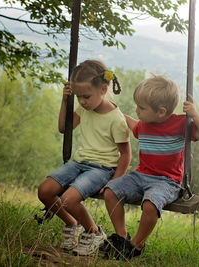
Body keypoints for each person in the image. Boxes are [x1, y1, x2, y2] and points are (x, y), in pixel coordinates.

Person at [102, 75, 199, 259]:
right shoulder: (145, 124)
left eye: (141, 107)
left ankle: (135, 245)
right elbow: (131, 123)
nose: (137, 110)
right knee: (110, 192)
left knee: (150, 205)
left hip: (167, 181)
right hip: (140, 176)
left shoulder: (180, 124)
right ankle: (122, 236)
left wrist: (195, 114)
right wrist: (114, 111)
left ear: (161, 112)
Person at [37, 60, 131, 256]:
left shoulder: (116, 119)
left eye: (86, 96)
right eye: (78, 97)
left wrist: (114, 183)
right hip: (80, 163)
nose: (82, 101)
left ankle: (94, 232)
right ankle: (72, 224)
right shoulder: (83, 109)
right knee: (45, 191)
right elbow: (64, 128)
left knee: (67, 201)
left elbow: (125, 155)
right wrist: (65, 101)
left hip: (102, 168)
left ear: (104, 89)